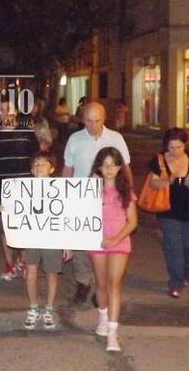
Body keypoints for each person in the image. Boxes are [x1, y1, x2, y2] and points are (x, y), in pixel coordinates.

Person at [62, 101, 133, 305]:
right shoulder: (75, 139)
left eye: (97, 121)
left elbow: (125, 167)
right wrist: (63, 192)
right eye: (89, 121)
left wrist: (128, 193)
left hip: (108, 198)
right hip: (81, 197)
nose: (93, 125)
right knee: (80, 241)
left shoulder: (115, 138)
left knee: (104, 241)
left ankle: (101, 287)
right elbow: (68, 168)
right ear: (82, 119)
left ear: (105, 119)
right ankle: (83, 282)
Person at [0, 100, 38, 281]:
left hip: (24, 190)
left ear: (16, 113)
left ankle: (24, 259)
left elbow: (37, 159)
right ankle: (9, 265)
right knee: (4, 230)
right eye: (2, 111)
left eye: (9, 111)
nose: (5, 114)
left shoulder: (27, 132)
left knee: (23, 227)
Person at [146, 128, 189, 298]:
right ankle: (176, 282)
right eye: (172, 148)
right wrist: (167, 180)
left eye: (179, 147)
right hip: (168, 209)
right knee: (173, 246)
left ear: (185, 145)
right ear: (166, 146)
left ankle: (186, 270)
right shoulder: (159, 161)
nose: (175, 151)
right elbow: (153, 183)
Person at [88, 147, 138, 352]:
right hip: (96, 242)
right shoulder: (90, 188)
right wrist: (90, 184)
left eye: (113, 164)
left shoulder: (126, 191)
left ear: (120, 167)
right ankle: (102, 317)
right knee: (101, 284)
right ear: (99, 165)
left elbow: (132, 222)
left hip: (119, 243)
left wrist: (115, 239)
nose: (109, 169)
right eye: (105, 164)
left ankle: (112, 333)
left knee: (114, 285)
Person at [22, 151, 72, 331]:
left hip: (53, 239)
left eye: (43, 164)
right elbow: (17, 211)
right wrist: (3, 208)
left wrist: (67, 243)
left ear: (51, 169)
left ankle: (49, 309)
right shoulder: (23, 189)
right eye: (35, 164)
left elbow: (66, 216)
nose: (39, 167)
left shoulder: (60, 190)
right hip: (31, 238)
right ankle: (33, 308)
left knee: (52, 274)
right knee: (31, 274)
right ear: (31, 169)